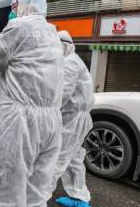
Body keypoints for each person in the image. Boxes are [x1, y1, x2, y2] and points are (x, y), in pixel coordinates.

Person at [0, 0, 64, 207]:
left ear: (25, 6)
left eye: (15, 8)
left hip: (19, 120)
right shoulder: (52, 32)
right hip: (52, 121)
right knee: (36, 189)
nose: (13, 13)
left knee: (4, 184)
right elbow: (24, 49)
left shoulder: (17, 26)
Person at [50, 31, 94, 207]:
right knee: (74, 157)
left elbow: (63, 94)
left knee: (58, 157)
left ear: (65, 45)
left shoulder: (70, 63)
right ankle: (80, 196)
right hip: (73, 117)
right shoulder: (69, 61)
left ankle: (37, 198)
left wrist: (48, 112)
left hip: (74, 119)